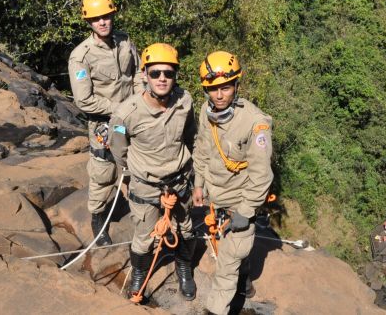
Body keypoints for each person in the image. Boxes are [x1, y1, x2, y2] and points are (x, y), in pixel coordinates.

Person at [108, 43, 197, 301]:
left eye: (168, 73)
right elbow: (119, 149)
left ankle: (184, 269)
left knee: (186, 228)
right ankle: (139, 273)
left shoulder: (185, 101)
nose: (162, 79)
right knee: (144, 236)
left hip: (179, 181)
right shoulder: (127, 113)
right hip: (146, 185)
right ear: (145, 74)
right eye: (155, 73)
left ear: (175, 75)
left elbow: (191, 136)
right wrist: (131, 175)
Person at [192, 51, 274, 315]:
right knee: (235, 255)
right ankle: (245, 279)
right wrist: (198, 184)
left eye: (225, 88)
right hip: (217, 197)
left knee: (226, 266)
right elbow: (203, 149)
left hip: (240, 204)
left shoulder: (255, 124)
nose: (219, 95)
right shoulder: (206, 112)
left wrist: (246, 211)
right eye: (213, 89)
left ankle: (215, 310)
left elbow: (262, 175)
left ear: (236, 86)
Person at [68, 0, 144, 246]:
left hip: (133, 116)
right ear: (88, 22)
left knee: (137, 162)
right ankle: (98, 218)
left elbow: (137, 74)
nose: (102, 22)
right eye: (96, 18)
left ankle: (141, 211)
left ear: (113, 15)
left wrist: (140, 101)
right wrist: (119, 109)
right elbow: (84, 100)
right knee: (104, 170)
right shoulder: (82, 56)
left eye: (106, 16)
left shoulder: (125, 41)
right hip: (104, 121)